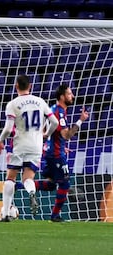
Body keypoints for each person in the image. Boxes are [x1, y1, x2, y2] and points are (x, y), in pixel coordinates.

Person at [0, 74, 58, 222]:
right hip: (36, 146)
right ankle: (31, 191)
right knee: (28, 178)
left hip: (20, 145)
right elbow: (54, 122)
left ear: (16, 86)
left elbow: (8, 128)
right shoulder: (40, 101)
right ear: (30, 86)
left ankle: (5, 214)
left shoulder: (13, 104)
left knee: (10, 177)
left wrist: (0, 140)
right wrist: (46, 135)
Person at [38, 84, 89, 222]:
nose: (72, 96)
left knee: (50, 184)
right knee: (65, 184)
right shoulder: (59, 112)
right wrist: (80, 120)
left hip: (52, 151)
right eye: (69, 94)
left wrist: (54, 145)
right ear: (62, 96)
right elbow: (67, 135)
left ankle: (18, 186)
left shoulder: (54, 110)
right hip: (55, 154)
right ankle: (55, 216)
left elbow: (45, 132)